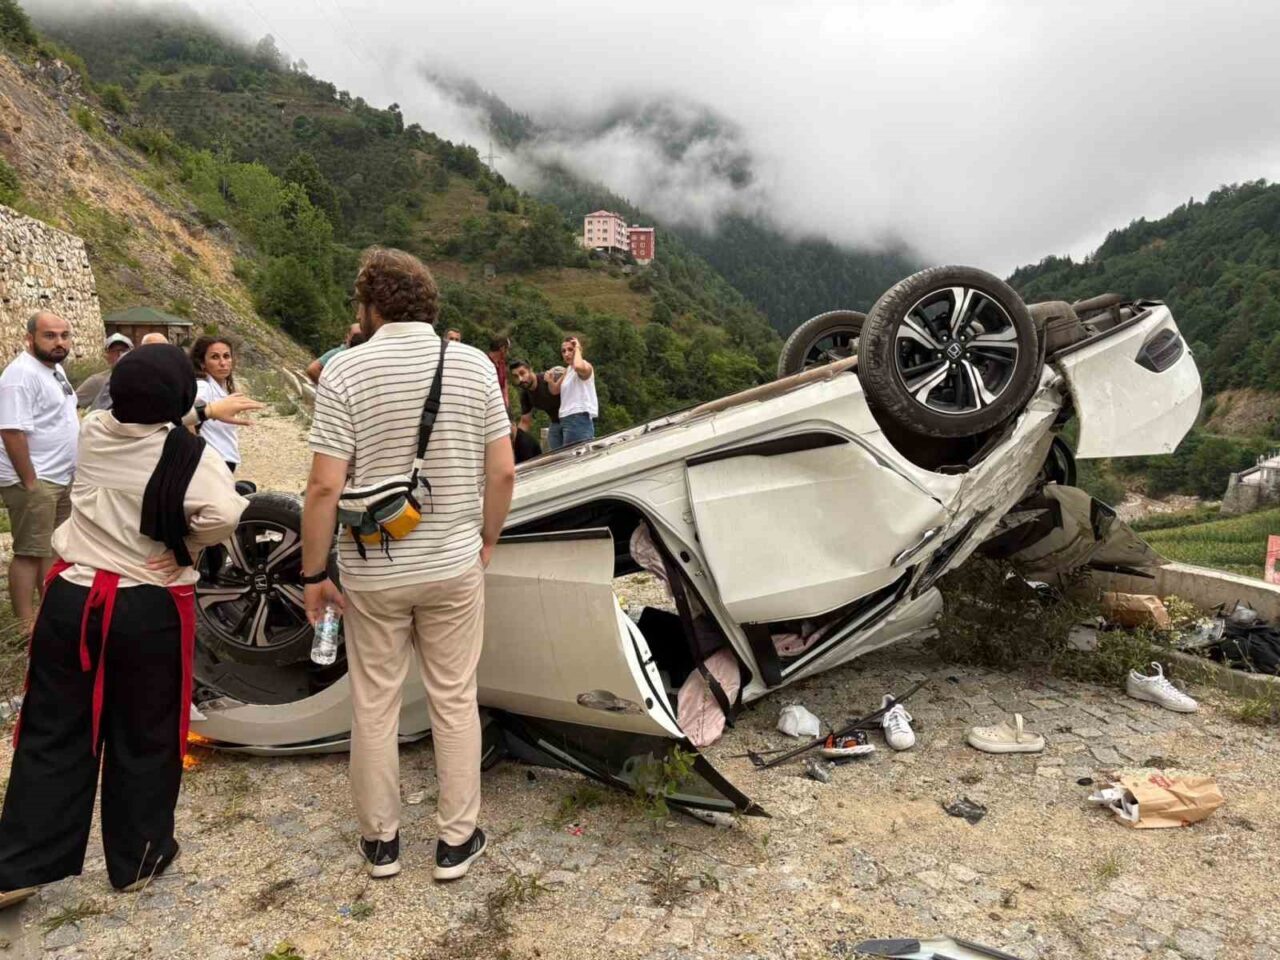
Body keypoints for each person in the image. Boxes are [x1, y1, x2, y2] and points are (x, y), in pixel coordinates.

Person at [0, 344, 249, 907]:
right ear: (182, 397)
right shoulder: (190, 456)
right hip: (145, 603)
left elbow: (141, 420)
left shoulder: (93, 431)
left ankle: (19, 865)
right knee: (146, 730)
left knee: (52, 729)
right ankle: (138, 857)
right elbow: (228, 513)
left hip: (71, 598)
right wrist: (185, 545)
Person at [302, 247, 515, 882]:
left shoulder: (344, 372)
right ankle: (456, 841)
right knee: (454, 698)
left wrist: (314, 577)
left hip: (372, 571)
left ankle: (381, 843)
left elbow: (321, 490)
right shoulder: (475, 366)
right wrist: (486, 540)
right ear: (428, 304)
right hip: (452, 561)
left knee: (375, 702)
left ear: (368, 307)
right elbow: (501, 470)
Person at [0, 313, 80, 625]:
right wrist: (30, 481)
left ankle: (49, 614)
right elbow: (10, 431)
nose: (59, 342)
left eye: (64, 335)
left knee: (53, 548)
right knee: (29, 553)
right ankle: (24, 624)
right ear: (30, 338)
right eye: (50, 335)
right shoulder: (20, 375)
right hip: (36, 479)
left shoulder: (54, 368)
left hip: (58, 476)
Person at [190, 336, 248, 473]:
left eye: (226, 356)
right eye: (215, 357)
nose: (223, 363)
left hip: (224, 457)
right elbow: (187, 417)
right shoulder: (203, 387)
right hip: (212, 460)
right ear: (202, 363)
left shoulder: (221, 388)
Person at [547, 336, 598, 447]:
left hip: (578, 416)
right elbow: (555, 390)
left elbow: (578, 366)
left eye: (570, 349)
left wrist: (578, 348)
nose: (566, 354)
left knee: (576, 460)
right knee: (562, 461)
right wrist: (550, 381)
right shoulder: (568, 370)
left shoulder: (585, 366)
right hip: (564, 418)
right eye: (563, 351)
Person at [509, 358, 562, 451]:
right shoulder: (525, 394)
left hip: (572, 419)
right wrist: (515, 442)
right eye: (516, 376)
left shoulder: (547, 379)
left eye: (522, 373)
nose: (520, 379)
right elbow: (525, 421)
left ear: (530, 369)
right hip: (556, 423)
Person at [75, 333, 133, 411]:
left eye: (124, 350)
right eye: (114, 351)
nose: (120, 355)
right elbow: (71, 404)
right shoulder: (97, 381)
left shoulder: (142, 379)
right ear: (107, 356)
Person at [486, 335, 511, 410]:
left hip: (499, 403)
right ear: (502, 349)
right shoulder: (485, 362)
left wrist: (506, 398)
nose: (508, 353)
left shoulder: (502, 363)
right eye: (507, 349)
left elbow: (504, 382)